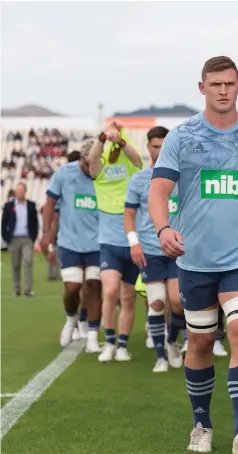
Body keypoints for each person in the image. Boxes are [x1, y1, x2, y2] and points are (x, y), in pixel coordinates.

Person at [149, 56, 238, 454]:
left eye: (229, 83)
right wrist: (163, 229)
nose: (223, 90)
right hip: (195, 260)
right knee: (202, 340)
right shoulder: (181, 137)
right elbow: (158, 193)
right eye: (215, 84)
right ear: (202, 88)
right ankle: (201, 424)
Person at [124, 126, 184, 373]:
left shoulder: (184, 176)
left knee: (178, 302)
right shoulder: (139, 179)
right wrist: (133, 242)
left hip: (178, 249)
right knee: (157, 303)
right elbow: (128, 215)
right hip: (149, 249)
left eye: (164, 146)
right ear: (148, 147)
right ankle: (160, 356)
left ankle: (172, 341)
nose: (159, 152)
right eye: (155, 146)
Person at [86, 121, 144, 362]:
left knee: (128, 296)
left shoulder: (131, 167)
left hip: (131, 240)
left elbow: (137, 160)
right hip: (109, 241)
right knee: (110, 291)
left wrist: (120, 139)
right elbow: (91, 159)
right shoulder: (98, 170)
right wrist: (102, 136)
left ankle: (122, 344)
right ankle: (109, 341)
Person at [42, 150, 102, 351]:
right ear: (82, 160)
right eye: (87, 164)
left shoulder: (104, 173)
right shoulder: (63, 174)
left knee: (93, 286)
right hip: (70, 243)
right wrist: (46, 233)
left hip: (98, 243)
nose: (90, 169)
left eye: (94, 164)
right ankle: (71, 319)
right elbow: (50, 204)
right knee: (73, 288)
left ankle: (92, 336)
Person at [2, 183, 39, 296]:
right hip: (14, 239)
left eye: (21, 191)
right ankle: (17, 289)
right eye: (17, 191)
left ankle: (28, 289)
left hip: (27, 238)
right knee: (15, 265)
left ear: (25, 192)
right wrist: (7, 238)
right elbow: (3, 224)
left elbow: (35, 223)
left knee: (28, 262)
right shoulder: (9, 206)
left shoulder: (31, 206)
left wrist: (33, 237)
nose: (19, 194)